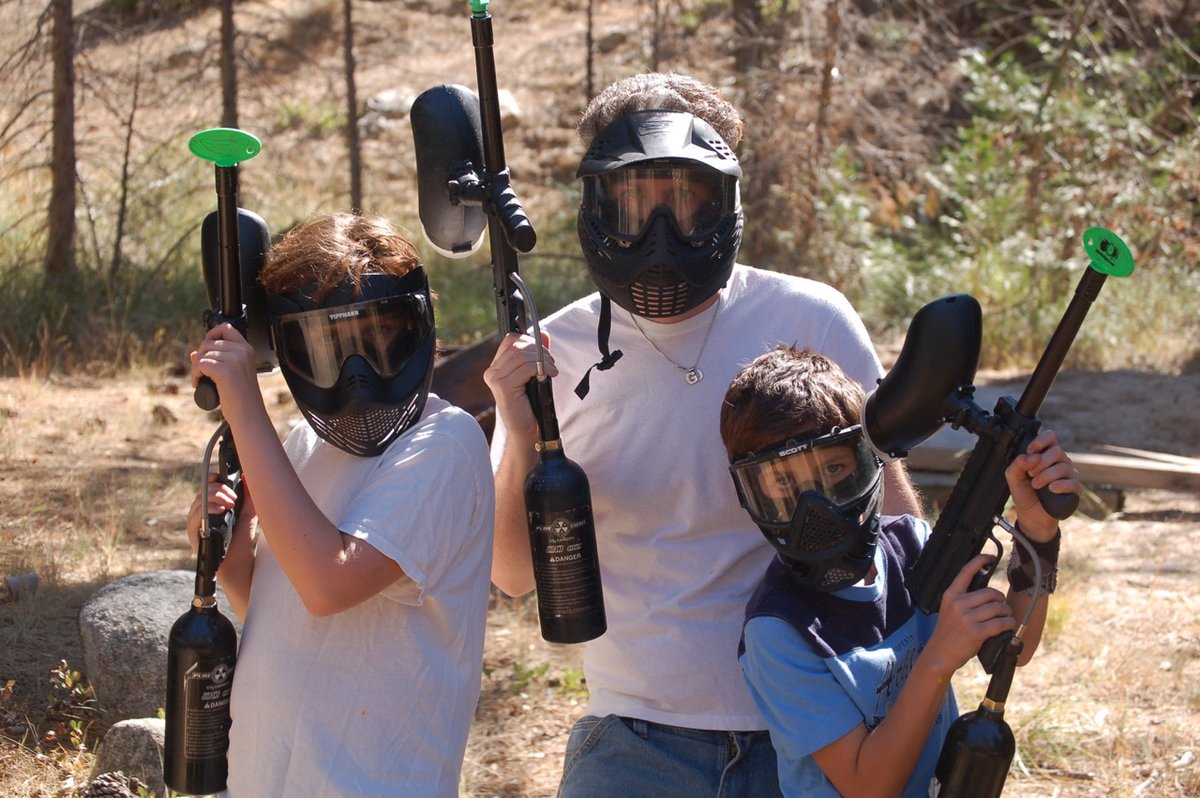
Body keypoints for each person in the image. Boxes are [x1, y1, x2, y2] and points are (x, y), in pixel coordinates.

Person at [484, 72, 923, 797]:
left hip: (820, 726)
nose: (662, 232)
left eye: (684, 199)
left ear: (724, 199)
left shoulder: (810, 318)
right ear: (597, 203)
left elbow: (895, 521)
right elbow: (513, 573)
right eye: (635, 200)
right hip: (634, 739)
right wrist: (514, 417)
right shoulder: (551, 355)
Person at [186, 212, 494, 797]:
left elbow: (330, 584)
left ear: (419, 326)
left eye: (380, 335)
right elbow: (280, 611)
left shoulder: (444, 443)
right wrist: (231, 562)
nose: (358, 372)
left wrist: (246, 411)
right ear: (290, 350)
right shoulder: (306, 445)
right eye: (330, 345)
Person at [719, 345, 1078, 797]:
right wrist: (936, 661)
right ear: (753, 493)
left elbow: (1012, 648)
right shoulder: (780, 630)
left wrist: (1038, 530)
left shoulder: (911, 547)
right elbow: (869, 787)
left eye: (834, 468)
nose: (817, 509)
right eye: (785, 483)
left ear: (867, 461)